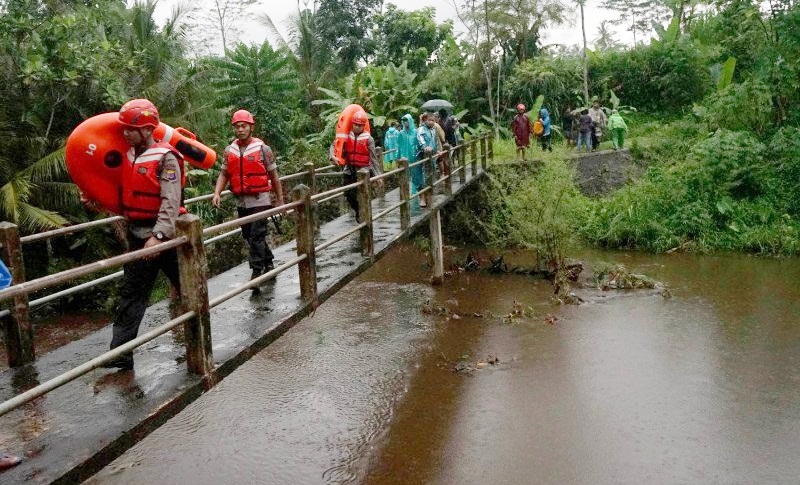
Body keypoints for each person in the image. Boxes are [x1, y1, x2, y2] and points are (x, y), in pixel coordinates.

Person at [103, 99, 184, 371]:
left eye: (131, 129)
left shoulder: (166, 158)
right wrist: (94, 200)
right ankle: (120, 353)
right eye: (124, 128)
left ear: (148, 129)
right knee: (131, 293)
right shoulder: (127, 156)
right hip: (138, 235)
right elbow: (122, 193)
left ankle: (200, 335)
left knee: (187, 286)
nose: (125, 133)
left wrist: (158, 236)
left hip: (167, 237)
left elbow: (171, 200)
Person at [212, 110, 284, 292]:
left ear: (251, 127)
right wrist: (217, 193)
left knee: (256, 235)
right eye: (237, 127)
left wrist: (280, 200)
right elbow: (224, 174)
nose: (240, 129)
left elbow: (274, 176)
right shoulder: (229, 151)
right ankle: (269, 262)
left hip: (260, 199)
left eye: (243, 126)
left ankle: (256, 273)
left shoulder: (263, 149)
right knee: (248, 235)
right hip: (242, 201)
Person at [328, 110, 382, 220]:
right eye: (355, 124)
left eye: (360, 125)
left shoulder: (369, 139)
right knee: (348, 193)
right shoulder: (346, 135)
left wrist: (378, 176)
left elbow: (373, 159)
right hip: (349, 169)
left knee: (362, 193)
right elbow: (334, 145)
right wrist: (332, 156)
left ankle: (364, 216)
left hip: (363, 170)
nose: (357, 127)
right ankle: (359, 211)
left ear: (363, 126)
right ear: (352, 124)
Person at [416, 113, 440, 208]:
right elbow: (420, 139)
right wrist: (425, 147)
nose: (431, 122)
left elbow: (436, 141)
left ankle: (428, 195)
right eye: (429, 120)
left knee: (431, 174)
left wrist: (437, 150)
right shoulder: (421, 129)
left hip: (432, 156)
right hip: (423, 155)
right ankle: (422, 198)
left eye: (433, 120)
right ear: (425, 120)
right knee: (423, 176)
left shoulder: (434, 130)